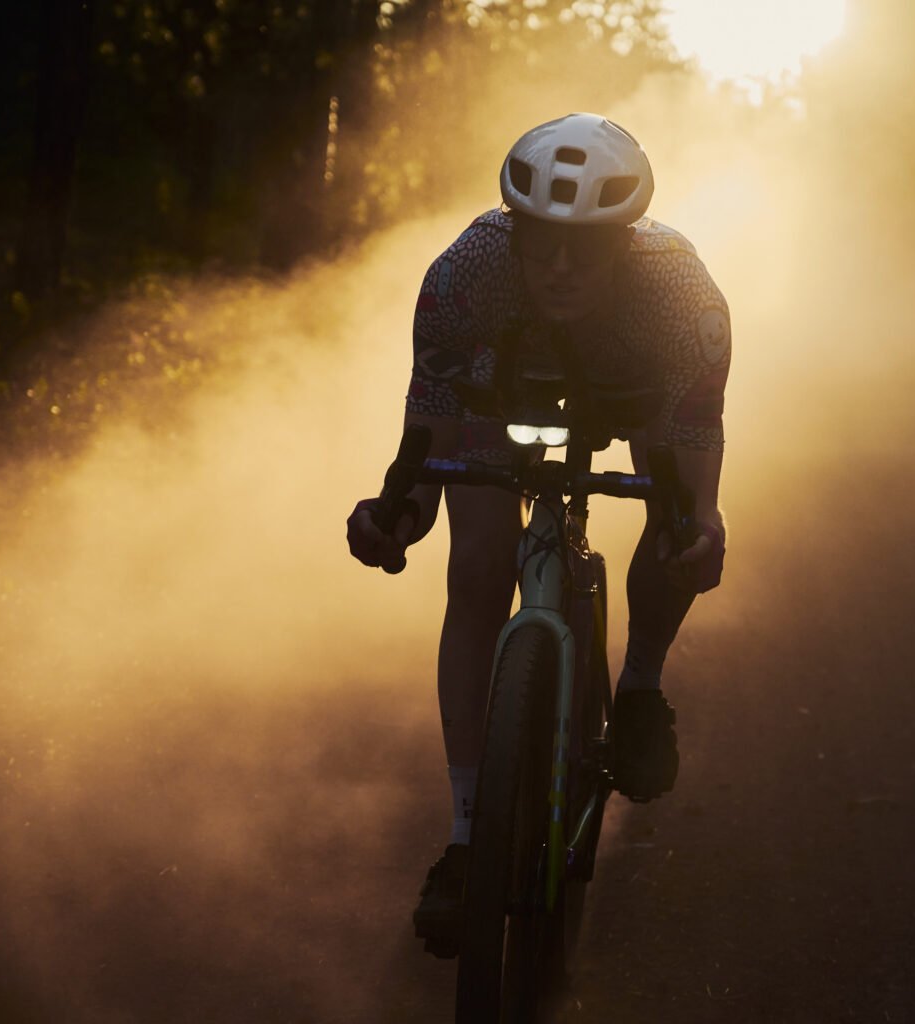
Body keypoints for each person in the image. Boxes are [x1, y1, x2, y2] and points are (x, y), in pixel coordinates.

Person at [344, 113, 729, 954]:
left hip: (636, 386)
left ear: (624, 244)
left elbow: (695, 440)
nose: (558, 266)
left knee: (677, 533)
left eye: (583, 248)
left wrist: (698, 524)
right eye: (539, 242)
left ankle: (639, 688)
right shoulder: (464, 275)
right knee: (477, 568)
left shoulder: (679, 293)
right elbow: (429, 438)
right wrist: (397, 517)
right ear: (511, 232)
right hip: (502, 385)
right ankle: (466, 839)